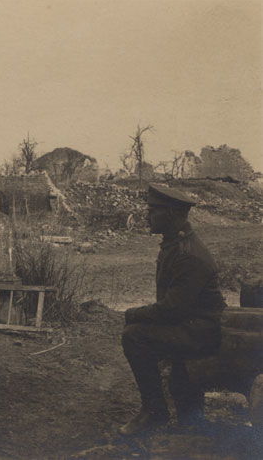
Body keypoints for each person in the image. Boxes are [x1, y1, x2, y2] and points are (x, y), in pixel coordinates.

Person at [120, 184, 226, 436]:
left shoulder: (188, 254)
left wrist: (132, 313)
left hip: (203, 331)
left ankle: (154, 411)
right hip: (192, 326)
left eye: (153, 211)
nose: (147, 216)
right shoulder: (176, 245)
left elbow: (171, 311)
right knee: (179, 376)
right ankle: (189, 421)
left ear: (171, 214)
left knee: (134, 336)